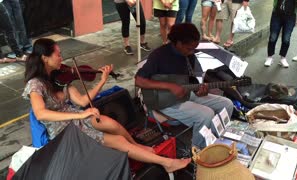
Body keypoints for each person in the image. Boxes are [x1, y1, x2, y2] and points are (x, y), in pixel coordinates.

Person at [22, 38, 190, 173]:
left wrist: (102, 81)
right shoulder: (35, 84)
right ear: (45, 58)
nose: (61, 58)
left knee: (111, 123)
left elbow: (82, 102)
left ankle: (138, 146)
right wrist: (80, 115)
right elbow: (41, 114)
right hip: (63, 131)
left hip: (77, 119)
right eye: (58, 55)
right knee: (116, 140)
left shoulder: (59, 78)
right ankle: (167, 163)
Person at [135, 23, 234, 149]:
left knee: (227, 104)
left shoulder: (189, 56)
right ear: (178, 43)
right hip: (163, 100)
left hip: (185, 94)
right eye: (189, 48)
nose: (192, 52)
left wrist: (199, 91)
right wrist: (169, 86)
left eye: (194, 48)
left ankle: (213, 140)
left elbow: (191, 82)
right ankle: (198, 150)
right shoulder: (159, 55)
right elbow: (139, 81)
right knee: (205, 114)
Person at [264, 0, 297, 68]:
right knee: (273, 37)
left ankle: (283, 58)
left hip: (290, 16)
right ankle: (269, 57)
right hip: (277, 14)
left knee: (286, 38)